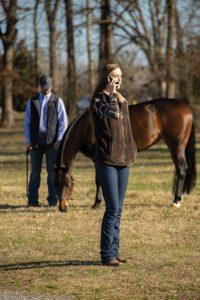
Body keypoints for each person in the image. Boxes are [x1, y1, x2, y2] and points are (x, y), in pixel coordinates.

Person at [90, 63, 137, 266]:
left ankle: (115, 251)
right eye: (113, 77)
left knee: (119, 210)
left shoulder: (120, 99)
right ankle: (106, 254)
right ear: (106, 78)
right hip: (107, 161)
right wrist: (110, 94)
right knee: (112, 209)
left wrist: (120, 98)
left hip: (123, 161)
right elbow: (113, 115)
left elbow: (125, 127)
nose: (117, 80)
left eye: (119, 76)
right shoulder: (98, 100)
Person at [24, 75, 68, 207]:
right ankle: (32, 200)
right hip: (35, 141)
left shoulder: (57, 101)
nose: (46, 90)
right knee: (35, 172)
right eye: (44, 87)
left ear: (51, 87)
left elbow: (63, 122)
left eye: (48, 87)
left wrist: (59, 140)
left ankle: (53, 200)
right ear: (40, 86)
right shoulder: (32, 101)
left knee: (52, 173)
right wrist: (27, 140)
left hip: (52, 142)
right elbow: (27, 122)